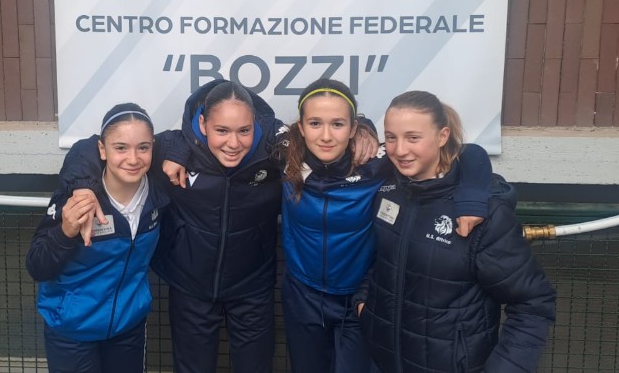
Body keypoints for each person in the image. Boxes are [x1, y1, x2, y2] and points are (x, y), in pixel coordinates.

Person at [63, 79, 378, 373]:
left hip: (253, 289)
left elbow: (327, 137)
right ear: (202, 124)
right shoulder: (174, 147)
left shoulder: (275, 148)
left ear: (255, 125)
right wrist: (83, 185)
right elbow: (90, 147)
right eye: (222, 130)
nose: (233, 143)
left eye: (244, 131)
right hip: (190, 289)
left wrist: (364, 129)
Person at [279, 80, 494, 373]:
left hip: (359, 298)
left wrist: (472, 198)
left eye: (338, 124)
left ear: (353, 129)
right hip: (302, 295)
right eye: (315, 123)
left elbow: (470, 153)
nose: (326, 136)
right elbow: (237, 109)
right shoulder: (284, 156)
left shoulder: (375, 161)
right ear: (301, 127)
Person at [356, 91, 556, 373]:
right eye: (391, 137)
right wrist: (364, 304)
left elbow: (533, 303)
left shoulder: (483, 213)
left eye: (413, 138)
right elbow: (377, 259)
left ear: (442, 136)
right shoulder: (386, 188)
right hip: (383, 361)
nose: (399, 150)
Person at [25, 104, 170, 373]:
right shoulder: (77, 197)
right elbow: (37, 265)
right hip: (72, 332)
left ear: (153, 147)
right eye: (121, 148)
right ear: (102, 150)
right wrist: (65, 232)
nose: (133, 158)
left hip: (128, 328)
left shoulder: (159, 192)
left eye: (143, 148)